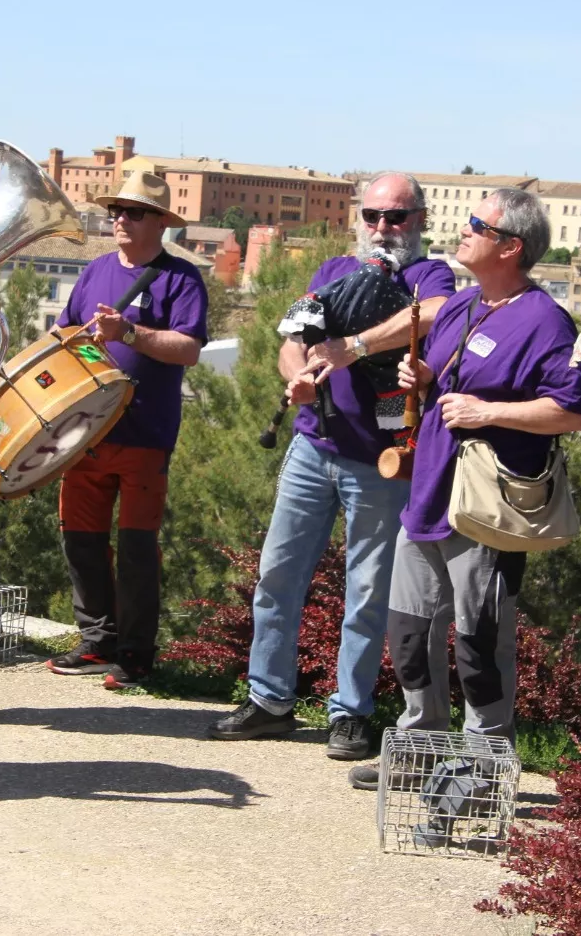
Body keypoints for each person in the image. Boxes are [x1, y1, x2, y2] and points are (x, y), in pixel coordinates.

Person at [345, 189, 581, 788]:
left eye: (478, 225)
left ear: (512, 247)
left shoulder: (545, 321)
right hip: (427, 496)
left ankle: (484, 771)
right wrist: (424, 378)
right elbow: (448, 385)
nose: (463, 229)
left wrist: (489, 414)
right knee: (408, 632)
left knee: (478, 642)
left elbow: (574, 411)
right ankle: (419, 752)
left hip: (484, 509)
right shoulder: (461, 306)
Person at [208, 172, 456, 761]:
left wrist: (355, 347)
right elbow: (293, 337)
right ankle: (269, 700)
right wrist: (293, 374)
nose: (382, 229)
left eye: (395, 217)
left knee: (367, 591)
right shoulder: (333, 273)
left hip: (381, 462)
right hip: (313, 447)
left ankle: (350, 713)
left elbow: (436, 312)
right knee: (277, 575)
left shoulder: (431, 275)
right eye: (372, 216)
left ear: (419, 219)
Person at [45, 172, 208, 690]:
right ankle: (97, 641)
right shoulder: (94, 271)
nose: (120, 218)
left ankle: (135, 655)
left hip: (145, 435)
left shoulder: (182, 278)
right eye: (117, 209)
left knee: (138, 551)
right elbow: (67, 330)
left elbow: (189, 350)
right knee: (81, 541)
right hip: (85, 433)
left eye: (134, 211)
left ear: (161, 222)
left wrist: (130, 333)